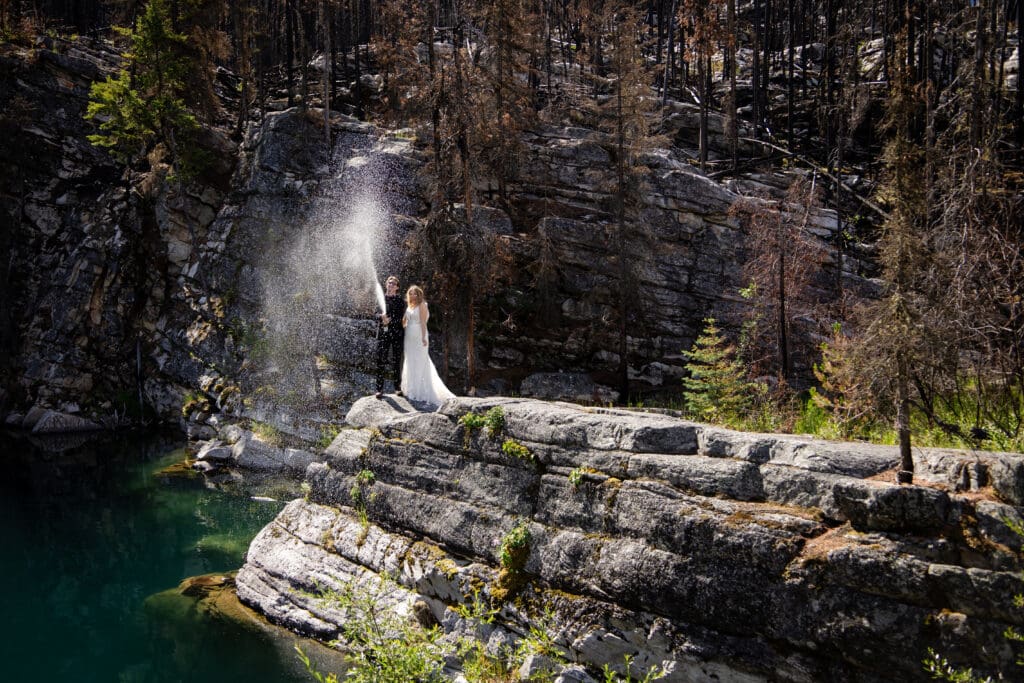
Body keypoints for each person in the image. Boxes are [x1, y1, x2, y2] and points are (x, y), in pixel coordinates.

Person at [400, 285, 455, 407]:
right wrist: (404, 324)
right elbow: (404, 320)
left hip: (419, 335)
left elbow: (423, 323)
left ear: (419, 295)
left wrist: (424, 338)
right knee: (410, 361)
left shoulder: (422, 305)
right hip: (409, 336)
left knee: (420, 361)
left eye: (415, 293)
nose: (413, 295)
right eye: (411, 293)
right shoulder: (410, 305)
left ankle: (421, 392)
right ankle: (411, 389)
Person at [375, 275, 405, 399]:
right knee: (380, 360)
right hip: (383, 334)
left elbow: (401, 318)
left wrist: (390, 321)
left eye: (393, 284)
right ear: (386, 284)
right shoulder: (380, 298)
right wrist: (381, 318)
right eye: (389, 283)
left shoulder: (400, 301)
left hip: (397, 334)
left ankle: (397, 388)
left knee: (396, 361)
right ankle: (379, 389)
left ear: (397, 287)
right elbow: (374, 313)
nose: (390, 285)